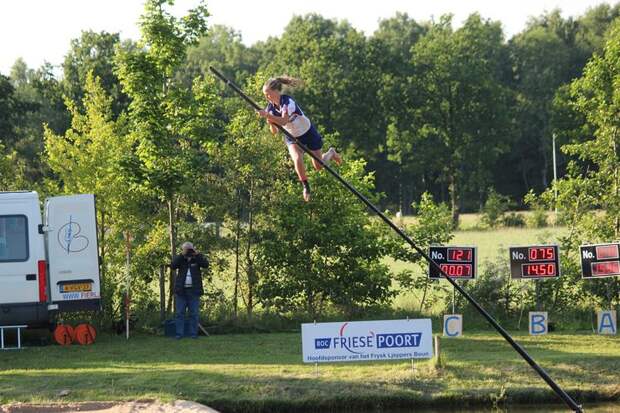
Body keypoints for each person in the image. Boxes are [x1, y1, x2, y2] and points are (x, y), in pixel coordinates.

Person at [257, 76, 342, 202]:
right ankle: (306, 186)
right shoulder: (270, 108)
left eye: (268, 94)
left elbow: (284, 120)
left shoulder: (287, 102)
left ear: (276, 91)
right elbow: (274, 132)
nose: (267, 98)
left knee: (318, 166)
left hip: (307, 132)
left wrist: (269, 116)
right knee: (297, 158)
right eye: (265, 95)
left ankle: (331, 153)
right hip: (292, 136)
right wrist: (269, 120)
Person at [171, 241, 209, 339]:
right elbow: (173, 266)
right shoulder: (181, 259)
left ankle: (193, 334)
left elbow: (205, 264)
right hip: (181, 291)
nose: (188, 251)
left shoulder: (196, 259)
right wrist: (182, 255)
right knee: (179, 313)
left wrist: (197, 254)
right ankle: (179, 334)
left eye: (189, 249)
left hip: (194, 291)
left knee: (194, 313)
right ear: (183, 250)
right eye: (186, 249)